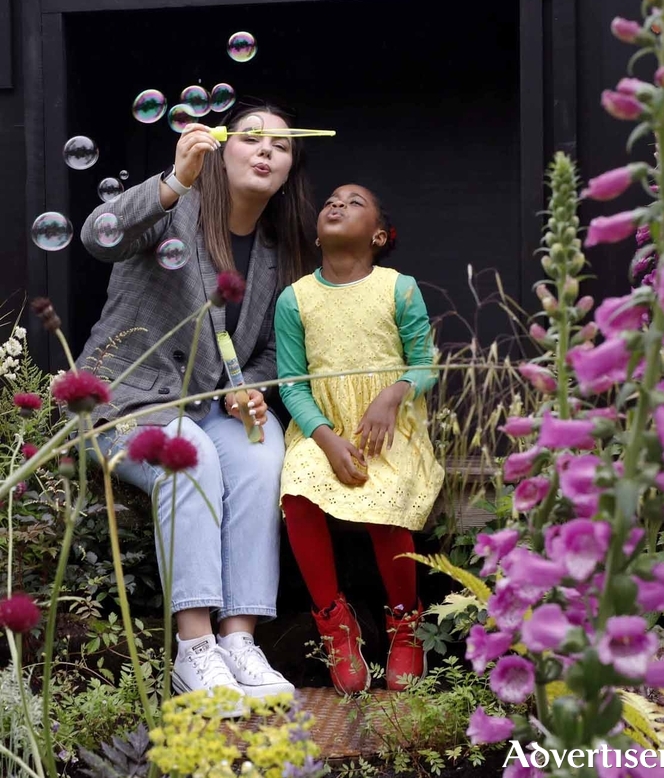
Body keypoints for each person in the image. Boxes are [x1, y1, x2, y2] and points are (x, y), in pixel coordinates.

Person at [77, 103, 317, 710]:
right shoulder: (173, 207)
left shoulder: (275, 250)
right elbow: (96, 235)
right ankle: (195, 647)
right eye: (252, 138)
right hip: (127, 401)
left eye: (281, 147)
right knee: (192, 456)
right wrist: (175, 180)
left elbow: (268, 354)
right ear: (219, 147)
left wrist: (250, 388)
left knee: (264, 461)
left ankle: (240, 640)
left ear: (289, 170)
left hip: (212, 408)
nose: (266, 151)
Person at [274, 183, 445, 695]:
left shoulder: (399, 287)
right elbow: (291, 381)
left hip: (390, 428)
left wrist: (395, 394)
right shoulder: (295, 298)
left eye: (354, 202)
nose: (336, 204)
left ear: (377, 235)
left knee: (385, 498)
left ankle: (404, 622)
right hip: (320, 427)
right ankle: (334, 621)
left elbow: (425, 362)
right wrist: (324, 438)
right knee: (297, 487)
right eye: (331, 200)